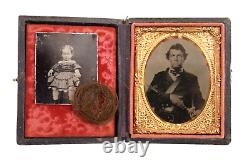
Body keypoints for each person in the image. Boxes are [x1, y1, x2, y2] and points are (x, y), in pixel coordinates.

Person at [146, 43, 205, 123]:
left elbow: (199, 101)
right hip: (161, 120)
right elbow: (149, 99)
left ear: (184, 58)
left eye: (179, 56)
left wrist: (198, 111)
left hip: (182, 121)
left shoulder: (192, 79)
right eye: (173, 55)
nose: (176, 59)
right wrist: (169, 97)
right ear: (168, 58)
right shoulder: (159, 77)